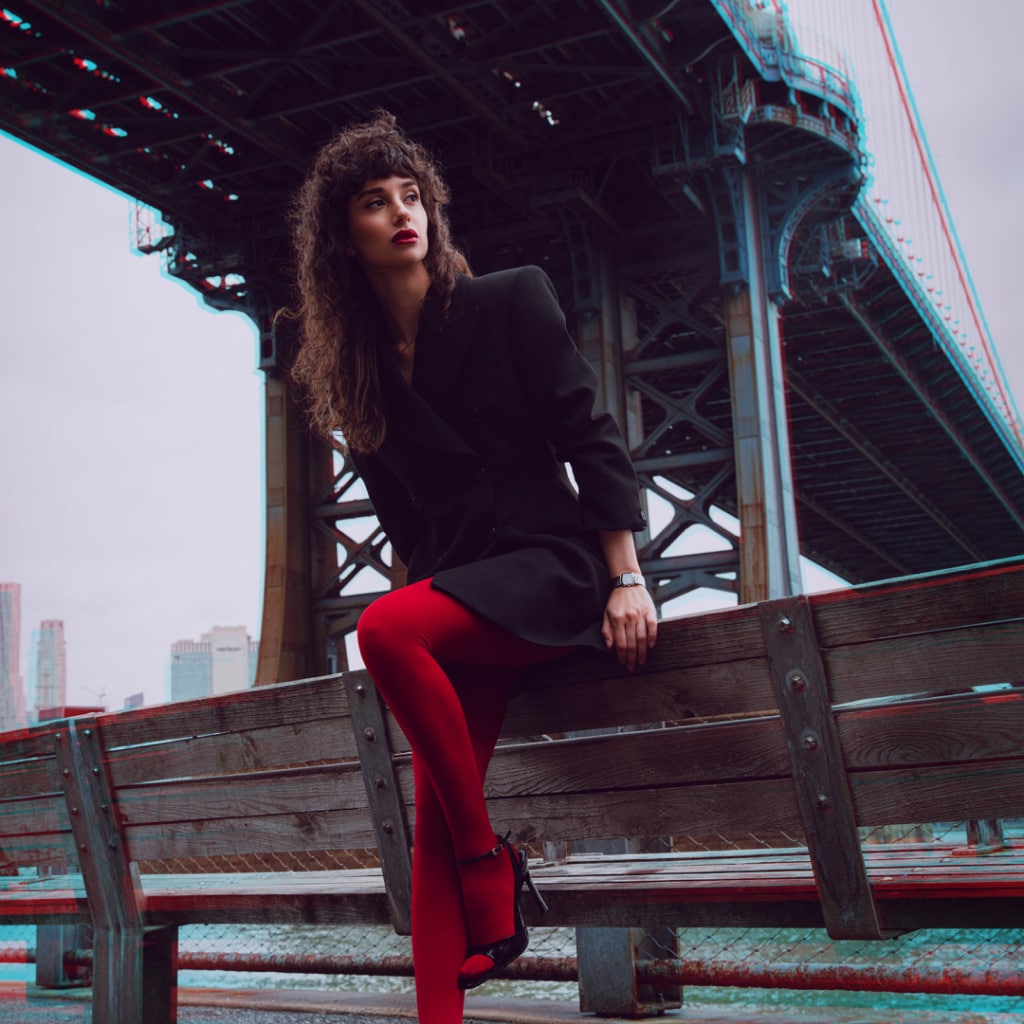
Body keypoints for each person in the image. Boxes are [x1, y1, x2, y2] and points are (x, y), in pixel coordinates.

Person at [289, 111, 657, 1021]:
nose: (401, 214)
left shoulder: (510, 298)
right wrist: (437, 621)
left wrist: (627, 575)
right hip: (466, 602)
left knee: (381, 625)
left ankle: (494, 866)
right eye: (375, 204)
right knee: (431, 828)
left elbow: (591, 437)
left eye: (412, 196)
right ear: (345, 237)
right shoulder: (359, 380)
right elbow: (410, 533)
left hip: (551, 573)